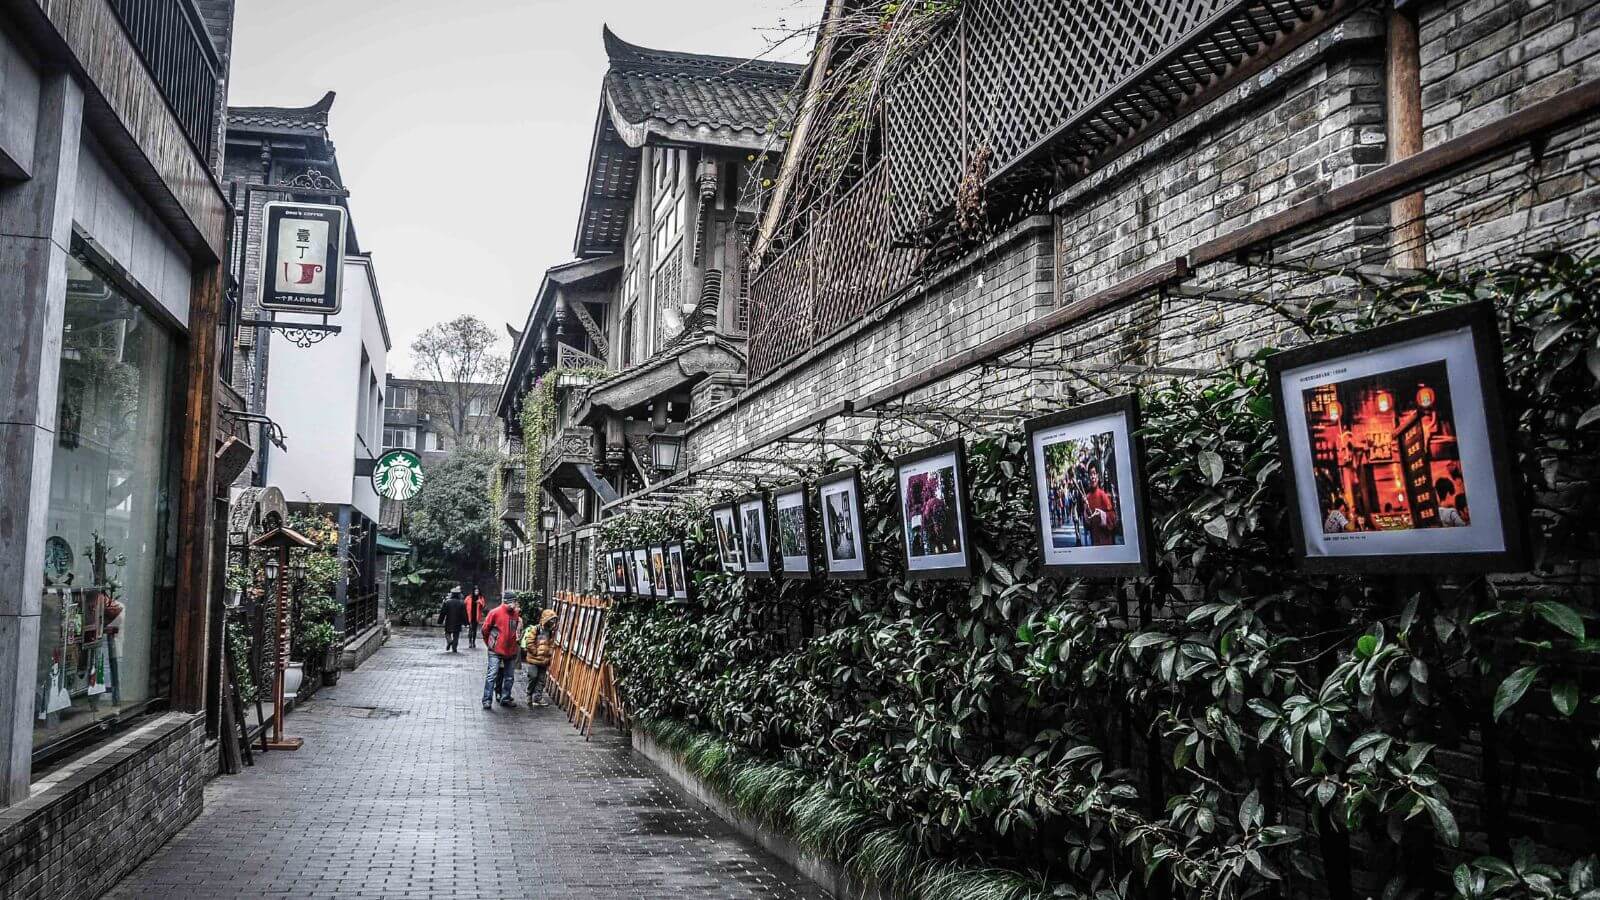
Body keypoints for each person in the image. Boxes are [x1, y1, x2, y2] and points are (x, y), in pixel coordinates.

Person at [481, 597, 522, 709]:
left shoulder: (515, 614)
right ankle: (487, 700)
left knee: (509, 677)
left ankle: (505, 698)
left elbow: (514, 631)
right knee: (492, 675)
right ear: (508, 602)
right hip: (496, 650)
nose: (515, 604)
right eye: (514, 602)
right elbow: (485, 630)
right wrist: (490, 644)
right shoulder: (495, 612)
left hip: (511, 650)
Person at [521, 608, 558, 707]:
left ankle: (538, 697)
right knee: (533, 676)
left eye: (554, 620)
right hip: (534, 659)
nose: (553, 622)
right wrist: (535, 652)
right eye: (551, 619)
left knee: (541, 679)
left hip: (544, 660)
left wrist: (549, 652)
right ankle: (529, 694)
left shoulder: (551, 632)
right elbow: (529, 642)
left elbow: (551, 644)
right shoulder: (536, 629)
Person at [1082, 464, 1120, 546]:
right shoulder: (1087, 497)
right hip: (1094, 541)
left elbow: (1113, 517)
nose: (1092, 477)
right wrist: (1086, 509)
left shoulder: (1102, 495)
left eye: (1094, 473)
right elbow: (1087, 524)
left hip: (1105, 540)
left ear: (1098, 476)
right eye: (1090, 474)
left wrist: (1102, 515)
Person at [437, 588, 467, 653]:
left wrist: (440, 621)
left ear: (452, 594)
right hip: (458, 622)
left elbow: (443, 613)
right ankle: (454, 648)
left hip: (449, 621)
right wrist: (466, 622)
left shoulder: (447, 602)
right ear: (459, 594)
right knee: (456, 635)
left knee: (447, 633)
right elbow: (464, 614)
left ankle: (450, 641)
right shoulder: (462, 603)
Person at [464, 585, 485, 649]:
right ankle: (470, 642)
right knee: (470, 629)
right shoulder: (469, 597)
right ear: (473, 591)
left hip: (476, 616)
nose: (476, 592)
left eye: (477, 591)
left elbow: (483, 605)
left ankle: (473, 642)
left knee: (474, 630)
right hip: (469, 616)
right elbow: (464, 604)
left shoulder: (481, 598)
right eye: (475, 591)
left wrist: (480, 602)